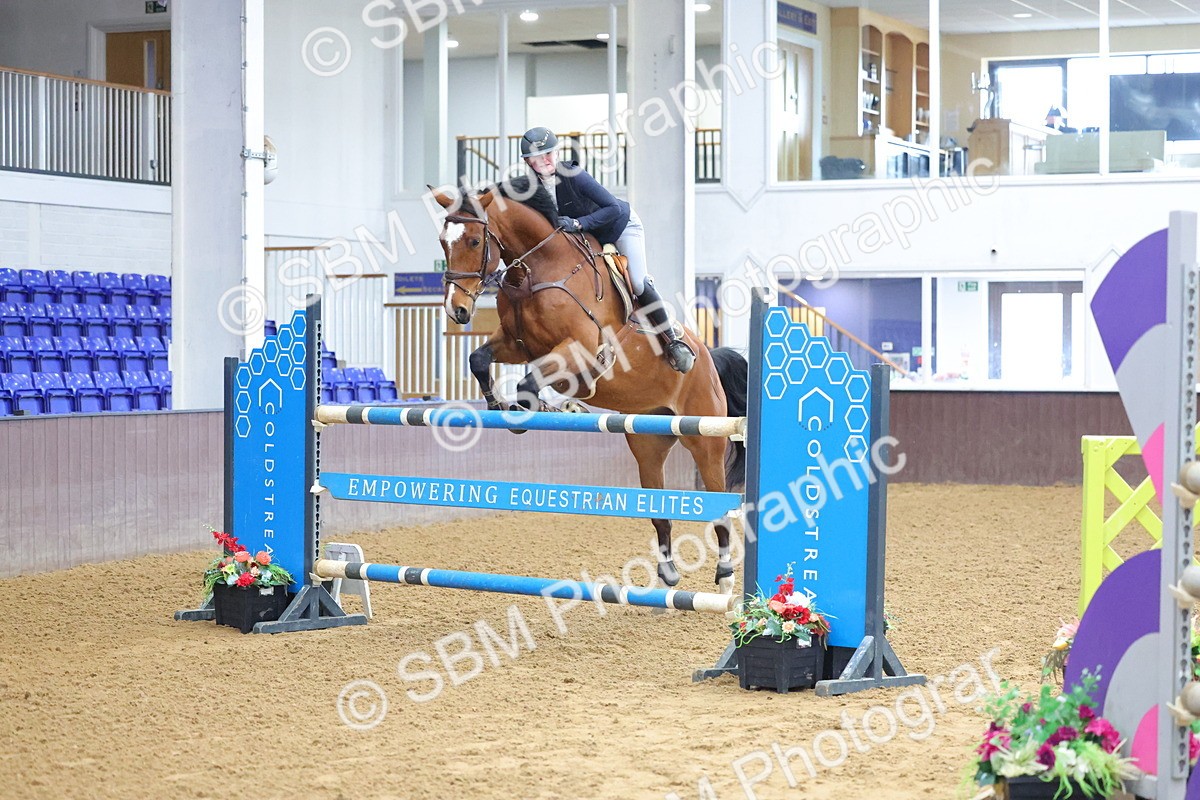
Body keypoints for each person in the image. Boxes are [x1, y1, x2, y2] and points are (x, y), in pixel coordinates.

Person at [518, 126, 696, 374]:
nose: (546, 160)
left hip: (619, 227)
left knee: (638, 282)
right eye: (539, 157)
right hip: (587, 238)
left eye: (549, 153)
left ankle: (673, 342)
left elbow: (612, 207)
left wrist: (579, 223)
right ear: (529, 162)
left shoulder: (574, 175)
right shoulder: (530, 188)